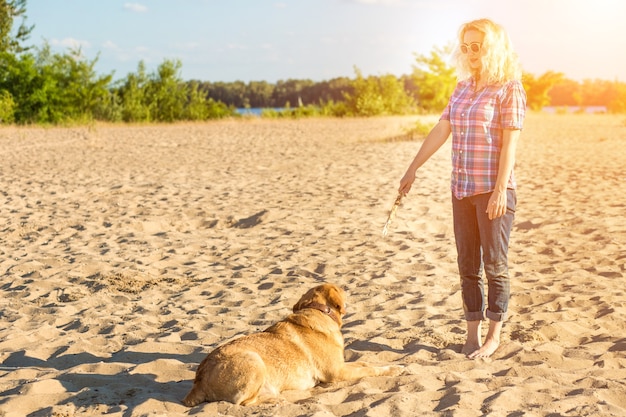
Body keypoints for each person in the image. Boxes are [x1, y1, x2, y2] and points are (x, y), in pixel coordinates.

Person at [399, 18, 526, 359]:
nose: (471, 53)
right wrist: (413, 168)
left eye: (478, 46)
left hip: (492, 190)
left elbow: (510, 144)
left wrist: (501, 190)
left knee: (494, 264)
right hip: (462, 190)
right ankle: (473, 335)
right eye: (466, 46)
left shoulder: (508, 88)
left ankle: (494, 336)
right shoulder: (461, 88)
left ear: (494, 48)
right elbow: (442, 129)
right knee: (467, 265)